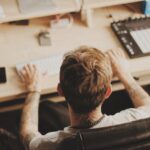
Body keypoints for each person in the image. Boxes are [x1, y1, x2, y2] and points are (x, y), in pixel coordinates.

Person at [19, 47, 150, 150]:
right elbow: (147, 105)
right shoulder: (133, 122)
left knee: (45, 108)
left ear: (60, 90)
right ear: (108, 92)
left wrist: (33, 90)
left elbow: (27, 134)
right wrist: (124, 74)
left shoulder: (55, 144)